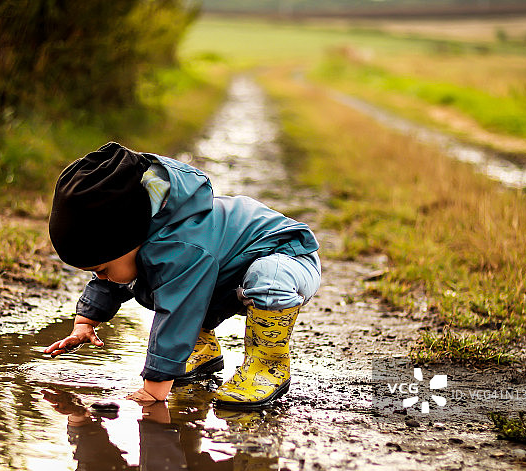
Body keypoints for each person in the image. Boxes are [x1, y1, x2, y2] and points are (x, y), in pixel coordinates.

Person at [44, 142, 320, 408]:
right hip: (227, 273)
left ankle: (266, 366)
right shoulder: (138, 234)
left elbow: (178, 311)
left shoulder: (181, 245)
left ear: (128, 240)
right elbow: (113, 280)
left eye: (101, 269)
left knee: (259, 277)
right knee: (152, 280)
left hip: (287, 257)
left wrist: (154, 388)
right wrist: (85, 321)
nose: (100, 277)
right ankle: (199, 351)